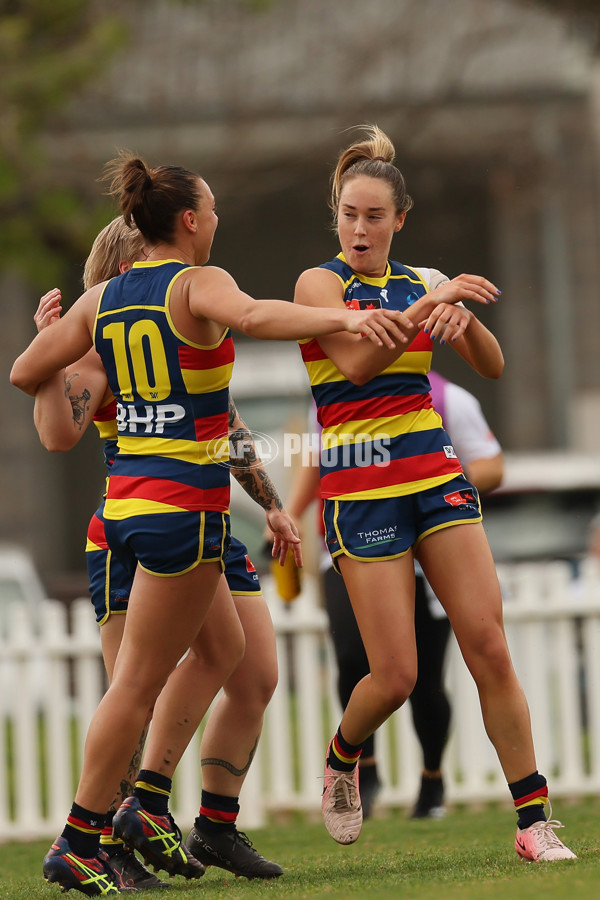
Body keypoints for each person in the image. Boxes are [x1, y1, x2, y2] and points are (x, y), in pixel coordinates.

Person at [10, 153, 411, 897]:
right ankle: (82, 838)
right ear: (189, 220)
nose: (219, 220)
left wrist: (48, 343)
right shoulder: (199, 284)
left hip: (131, 506)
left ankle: (154, 813)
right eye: (214, 209)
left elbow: (23, 370)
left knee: (226, 653)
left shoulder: (102, 301)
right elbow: (257, 317)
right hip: (178, 514)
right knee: (134, 689)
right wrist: (349, 315)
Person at [292, 124, 576, 861]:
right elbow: (355, 361)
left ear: (399, 221)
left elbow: (494, 364)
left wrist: (463, 317)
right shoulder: (319, 287)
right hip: (361, 489)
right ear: (338, 217)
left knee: (488, 644)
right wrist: (429, 305)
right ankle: (344, 755)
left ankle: (533, 822)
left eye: (375, 217)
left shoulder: (424, 280)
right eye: (350, 215)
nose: (361, 229)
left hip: (434, 475)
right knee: (394, 675)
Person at [32, 219, 288, 887]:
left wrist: (274, 504)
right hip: (142, 521)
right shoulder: (104, 335)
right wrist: (50, 354)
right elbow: (57, 432)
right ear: (126, 268)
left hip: (203, 517)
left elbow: (222, 424)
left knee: (248, 667)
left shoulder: (183, 327)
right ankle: (108, 832)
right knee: (135, 692)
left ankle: (177, 816)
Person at [284, 373, 504, 821]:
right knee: (351, 657)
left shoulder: (448, 398)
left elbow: (493, 466)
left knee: (422, 681)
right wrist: (290, 513)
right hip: (352, 541)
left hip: (431, 550)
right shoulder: (332, 391)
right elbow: (316, 459)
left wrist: (430, 483)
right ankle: (362, 765)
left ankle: (432, 780)